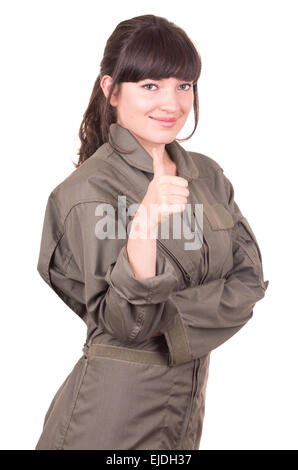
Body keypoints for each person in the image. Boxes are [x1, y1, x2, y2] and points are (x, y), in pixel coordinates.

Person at [34, 14, 269, 450]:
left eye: (184, 85)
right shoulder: (87, 191)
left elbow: (250, 283)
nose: (173, 103)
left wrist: (169, 323)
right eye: (150, 86)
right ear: (111, 90)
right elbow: (129, 324)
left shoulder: (208, 177)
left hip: (184, 417)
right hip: (107, 420)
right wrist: (143, 225)